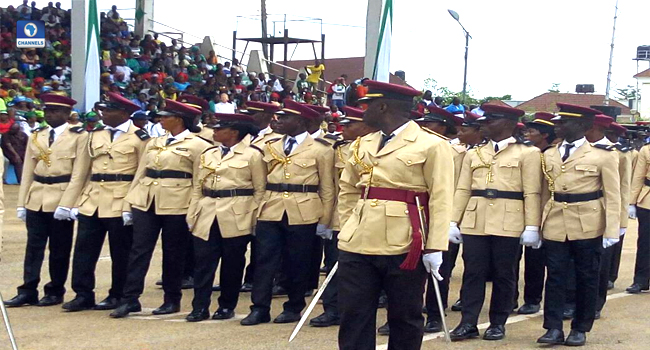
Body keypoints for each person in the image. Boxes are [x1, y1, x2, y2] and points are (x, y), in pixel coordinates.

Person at [336, 80, 452, 350]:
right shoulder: (362, 143)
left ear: (383, 106)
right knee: (354, 313)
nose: (362, 112)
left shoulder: (431, 145)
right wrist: (347, 225)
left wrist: (435, 246)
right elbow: (348, 189)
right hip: (359, 240)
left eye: (366, 106)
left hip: (406, 240)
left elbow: (441, 197)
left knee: (405, 316)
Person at [110, 99, 211, 318]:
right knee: (139, 250)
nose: (161, 119)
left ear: (179, 119)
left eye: (166, 116)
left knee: (174, 252)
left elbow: (198, 181)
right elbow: (141, 172)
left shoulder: (199, 145)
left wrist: (194, 210)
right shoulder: (155, 141)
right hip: (147, 199)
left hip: (178, 201)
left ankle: (171, 299)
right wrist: (130, 202)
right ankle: (130, 298)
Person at [449, 104, 542, 342]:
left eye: (493, 120)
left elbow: (532, 192)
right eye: (486, 120)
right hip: (475, 217)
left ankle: (497, 323)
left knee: (504, 273)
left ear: (509, 124)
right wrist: (453, 220)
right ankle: (468, 322)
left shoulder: (528, 153)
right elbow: (462, 189)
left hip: (509, 218)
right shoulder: (475, 152)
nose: (486, 124)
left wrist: (532, 226)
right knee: (473, 272)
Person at [240, 100, 335, 326]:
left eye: (285, 118)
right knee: (264, 260)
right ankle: (259, 308)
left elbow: (327, 188)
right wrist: (257, 210)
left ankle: (293, 306)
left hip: (304, 209)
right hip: (271, 208)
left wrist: (325, 220)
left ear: (300, 121)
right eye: (279, 117)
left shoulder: (321, 149)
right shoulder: (270, 145)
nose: (278, 121)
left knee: (297, 261)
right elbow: (261, 183)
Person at [536, 103, 620, 347]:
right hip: (554, 221)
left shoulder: (602, 155)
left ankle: (580, 327)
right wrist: (537, 224)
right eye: (558, 121)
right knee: (554, 276)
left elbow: (613, 195)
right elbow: (543, 192)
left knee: (586, 276)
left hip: (588, 222)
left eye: (564, 122)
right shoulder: (549, 154)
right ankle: (552, 327)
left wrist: (612, 229)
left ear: (583, 126)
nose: (558, 125)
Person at [62, 92, 150, 312]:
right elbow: (81, 172)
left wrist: (131, 205)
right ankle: (82, 294)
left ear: (125, 113)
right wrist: (68, 203)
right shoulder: (93, 135)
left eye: (109, 110)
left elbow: (141, 175)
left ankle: (118, 294)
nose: (104, 114)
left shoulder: (140, 138)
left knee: (121, 252)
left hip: (120, 199)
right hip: (92, 199)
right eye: (104, 110)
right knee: (84, 249)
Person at [5, 94, 89, 308]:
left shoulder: (79, 136)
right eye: (48, 111)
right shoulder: (37, 134)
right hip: (38, 194)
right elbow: (28, 172)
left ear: (67, 114)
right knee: (33, 247)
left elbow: (79, 173)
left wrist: (69, 204)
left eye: (56, 111)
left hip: (61, 194)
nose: (50, 115)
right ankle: (28, 289)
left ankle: (55, 290)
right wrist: (22, 203)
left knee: (59, 248)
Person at [185, 113, 266, 322]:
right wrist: (193, 212)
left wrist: (255, 217)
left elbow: (259, 189)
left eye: (220, 128)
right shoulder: (208, 153)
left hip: (236, 212)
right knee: (203, 263)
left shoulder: (252, 155)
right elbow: (197, 185)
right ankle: (199, 306)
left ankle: (226, 305)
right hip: (207, 210)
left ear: (234, 132)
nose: (215, 131)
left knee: (232, 263)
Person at [309, 106, 376, 328]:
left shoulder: (381, 147)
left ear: (364, 127)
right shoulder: (337, 149)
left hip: (377, 213)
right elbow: (332, 187)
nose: (343, 128)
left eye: (349, 125)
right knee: (335, 262)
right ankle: (333, 308)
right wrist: (327, 220)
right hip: (345, 213)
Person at [508, 112, 557, 316]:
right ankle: (510, 298)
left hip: (542, 212)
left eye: (533, 131)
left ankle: (532, 299)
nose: (528, 134)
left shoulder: (552, 155)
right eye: (527, 130)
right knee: (510, 258)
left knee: (535, 259)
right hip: (517, 210)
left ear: (545, 135)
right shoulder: (522, 152)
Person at [584, 114, 631, 318]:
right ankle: (573, 302)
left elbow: (621, 189)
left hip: (603, 213)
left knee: (599, 264)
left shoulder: (617, 153)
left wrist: (620, 221)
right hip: (578, 213)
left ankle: (595, 304)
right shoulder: (576, 149)